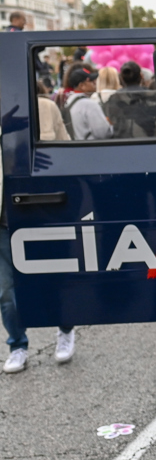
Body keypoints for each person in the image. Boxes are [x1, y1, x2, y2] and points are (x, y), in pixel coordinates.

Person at [2, 83, 75, 374]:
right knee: (7, 291)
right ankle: (17, 345)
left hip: (42, 211)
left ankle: (65, 329)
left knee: (53, 280)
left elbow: (66, 151)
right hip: (4, 218)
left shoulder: (46, 107)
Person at [105, 61, 156, 139]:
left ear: (121, 78)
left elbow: (111, 121)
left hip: (123, 143)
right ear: (141, 76)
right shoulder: (154, 96)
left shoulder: (114, 98)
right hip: (154, 141)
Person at [64, 68, 113, 140]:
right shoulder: (90, 104)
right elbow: (103, 133)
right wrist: (111, 125)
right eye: (90, 81)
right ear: (81, 85)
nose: (95, 83)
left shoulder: (68, 101)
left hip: (74, 147)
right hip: (91, 147)